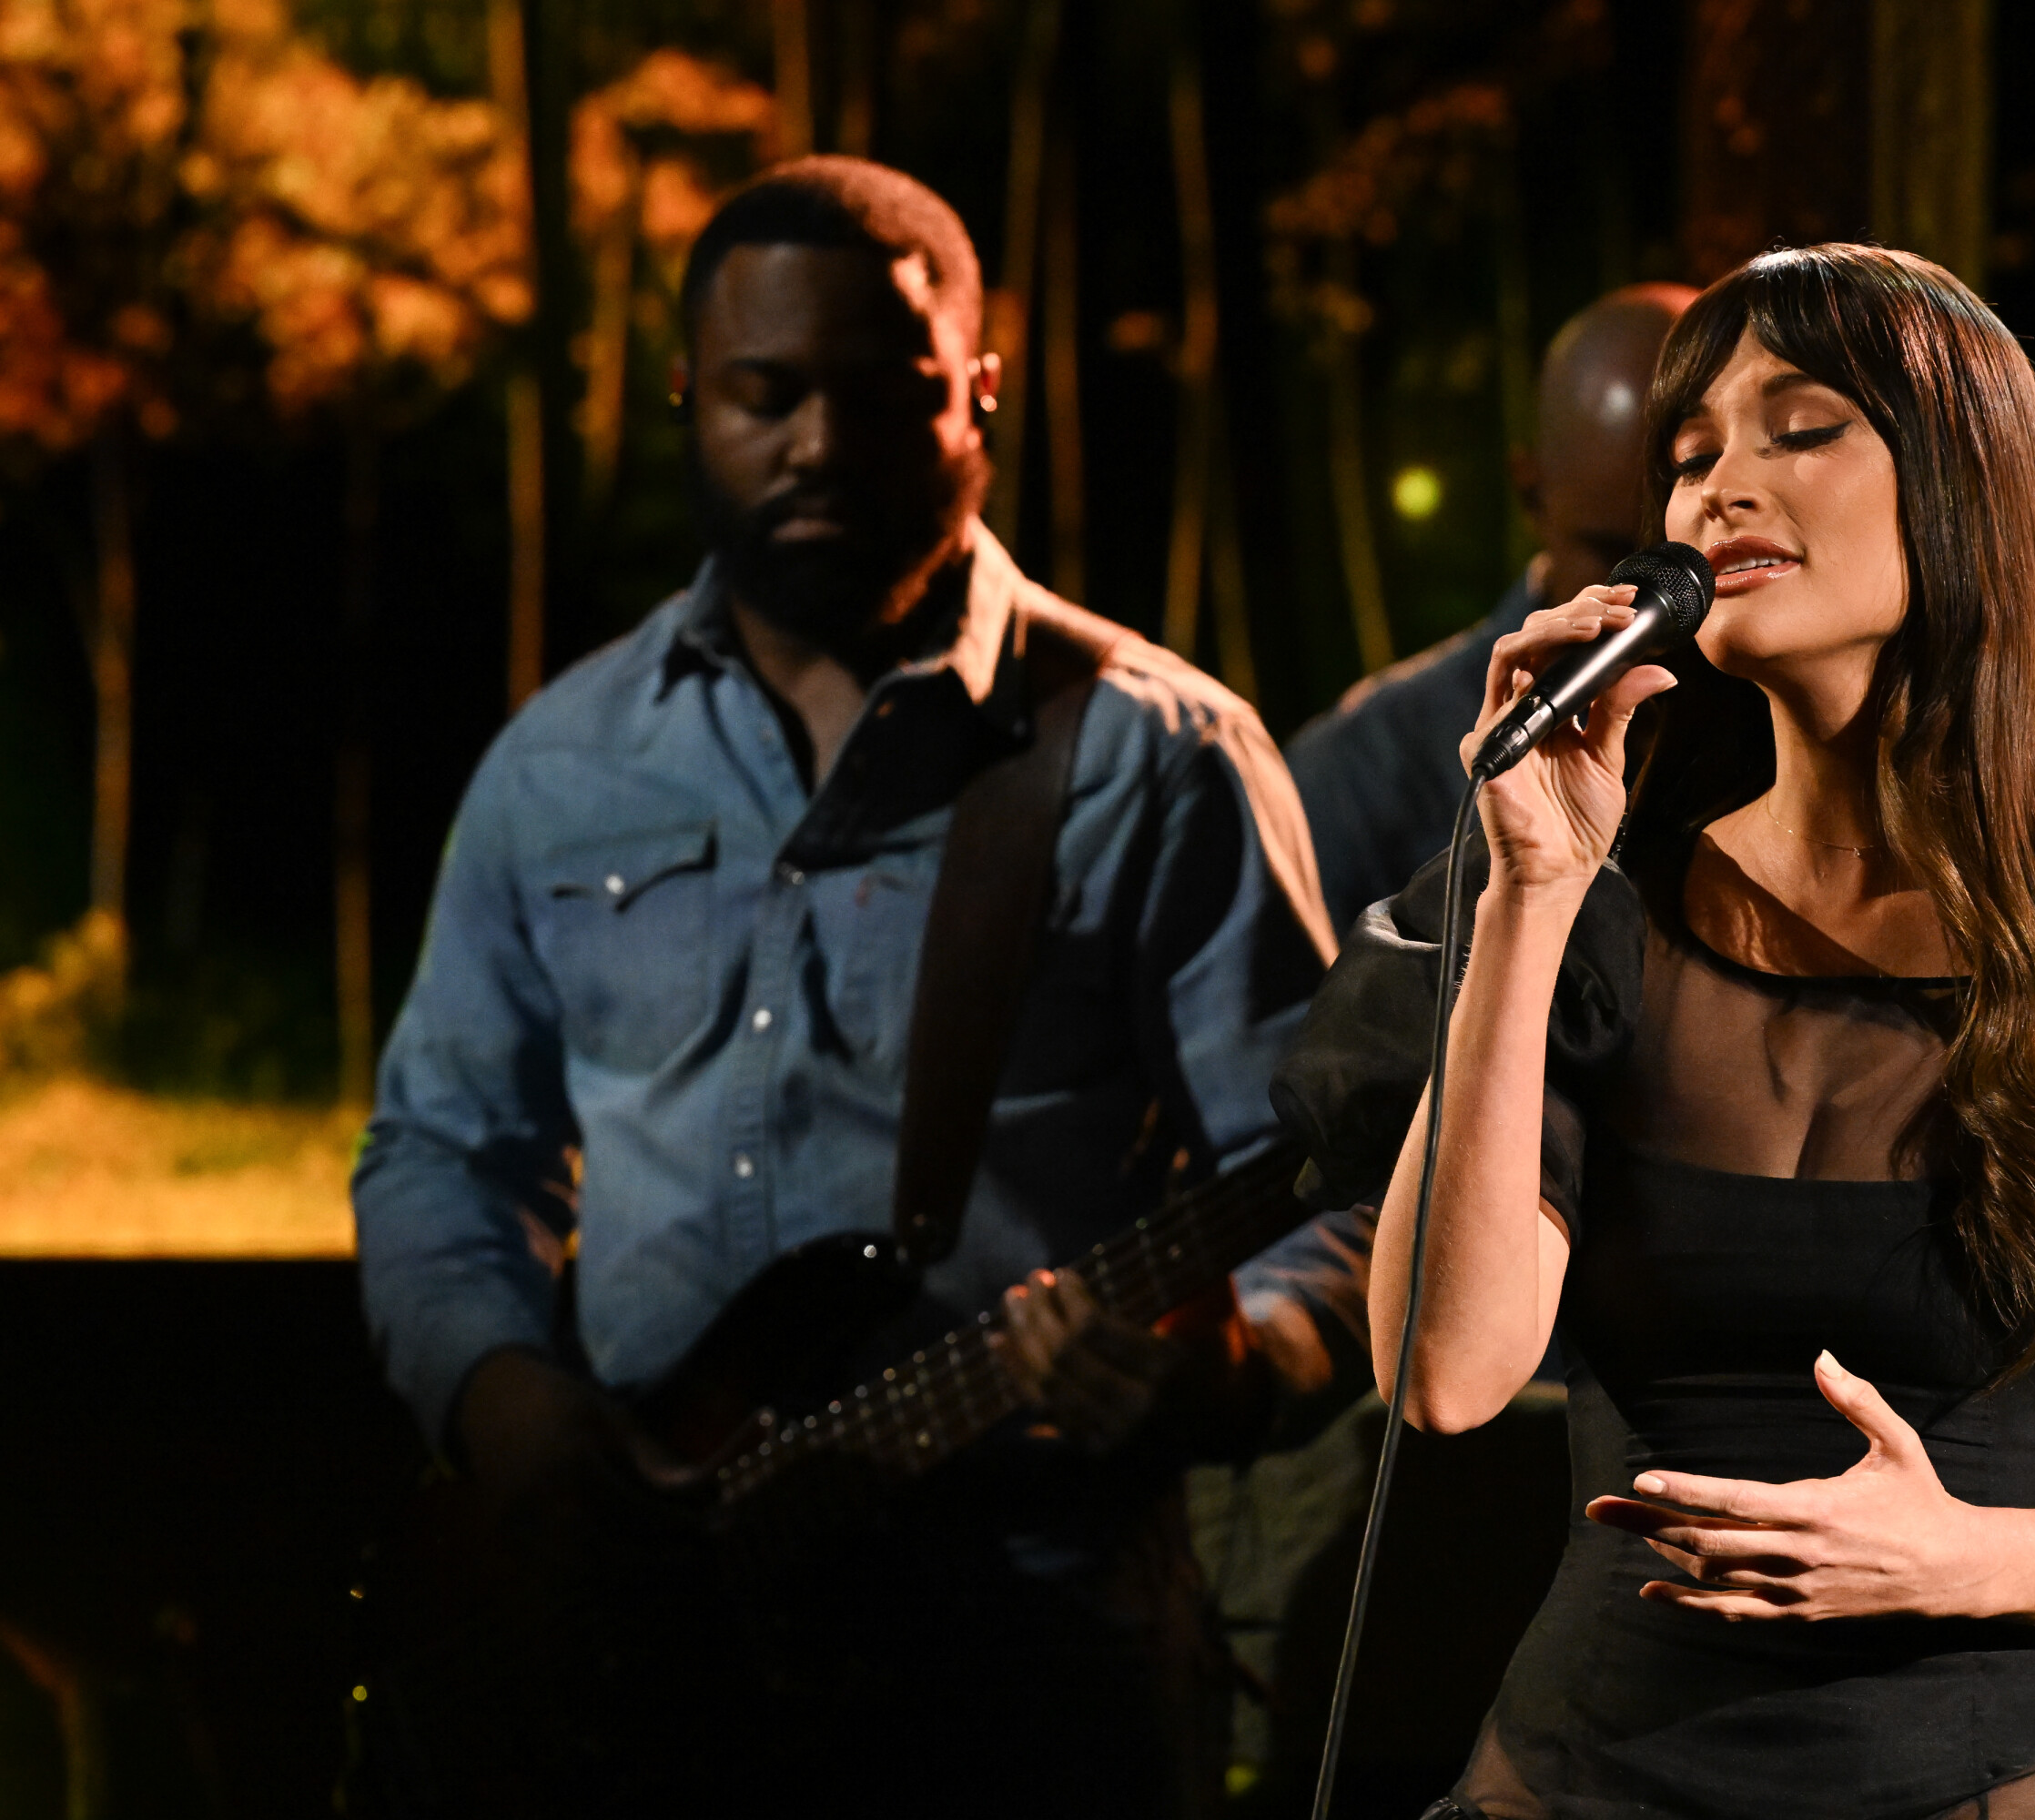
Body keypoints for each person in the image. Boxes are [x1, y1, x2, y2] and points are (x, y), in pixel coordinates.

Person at [1273, 245, 2035, 1818]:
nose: (1722, 487)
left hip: (1994, 1772)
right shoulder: (1595, 929)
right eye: (1691, 456)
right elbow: (1443, 1375)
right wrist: (1530, 887)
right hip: (1586, 1775)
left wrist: (1962, 1558)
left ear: (1962, 492)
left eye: (1801, 430)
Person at [354, 157, 1352, 1818]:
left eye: (877, 395)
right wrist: (506, 1401)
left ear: (976, 393)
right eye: (765, 395)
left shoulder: (1158, 757)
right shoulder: (559, 762)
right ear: (689, 396)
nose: (817, 444)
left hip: (1026, 1641)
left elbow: (1345, 1173)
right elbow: (444, 1150)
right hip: (644, 1636)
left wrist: (1253, 1365)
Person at [1289, 283, 1695, 935]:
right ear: (1531, 495)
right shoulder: (1362, 769)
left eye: (1688, 567)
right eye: (1616, 556)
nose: (1657, 607)